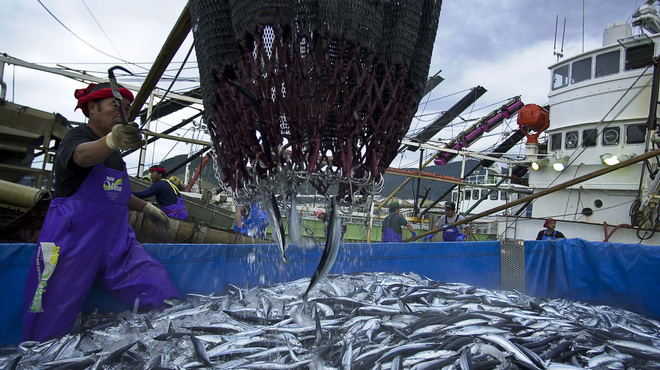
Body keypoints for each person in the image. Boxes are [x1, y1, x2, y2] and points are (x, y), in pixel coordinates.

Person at [21, 82, 180, 342]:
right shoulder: (79, 137)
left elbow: (113, 190)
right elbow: (82, 157)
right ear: (92, 108)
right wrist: (110, 140)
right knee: (48, 314)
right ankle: (38, 354)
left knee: (160, 292)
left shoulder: (114, 155)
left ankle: (171, 340)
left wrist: (147, 207)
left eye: (128, 109)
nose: (123, 113)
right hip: (71, 242)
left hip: (116, 242)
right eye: (116, 106)